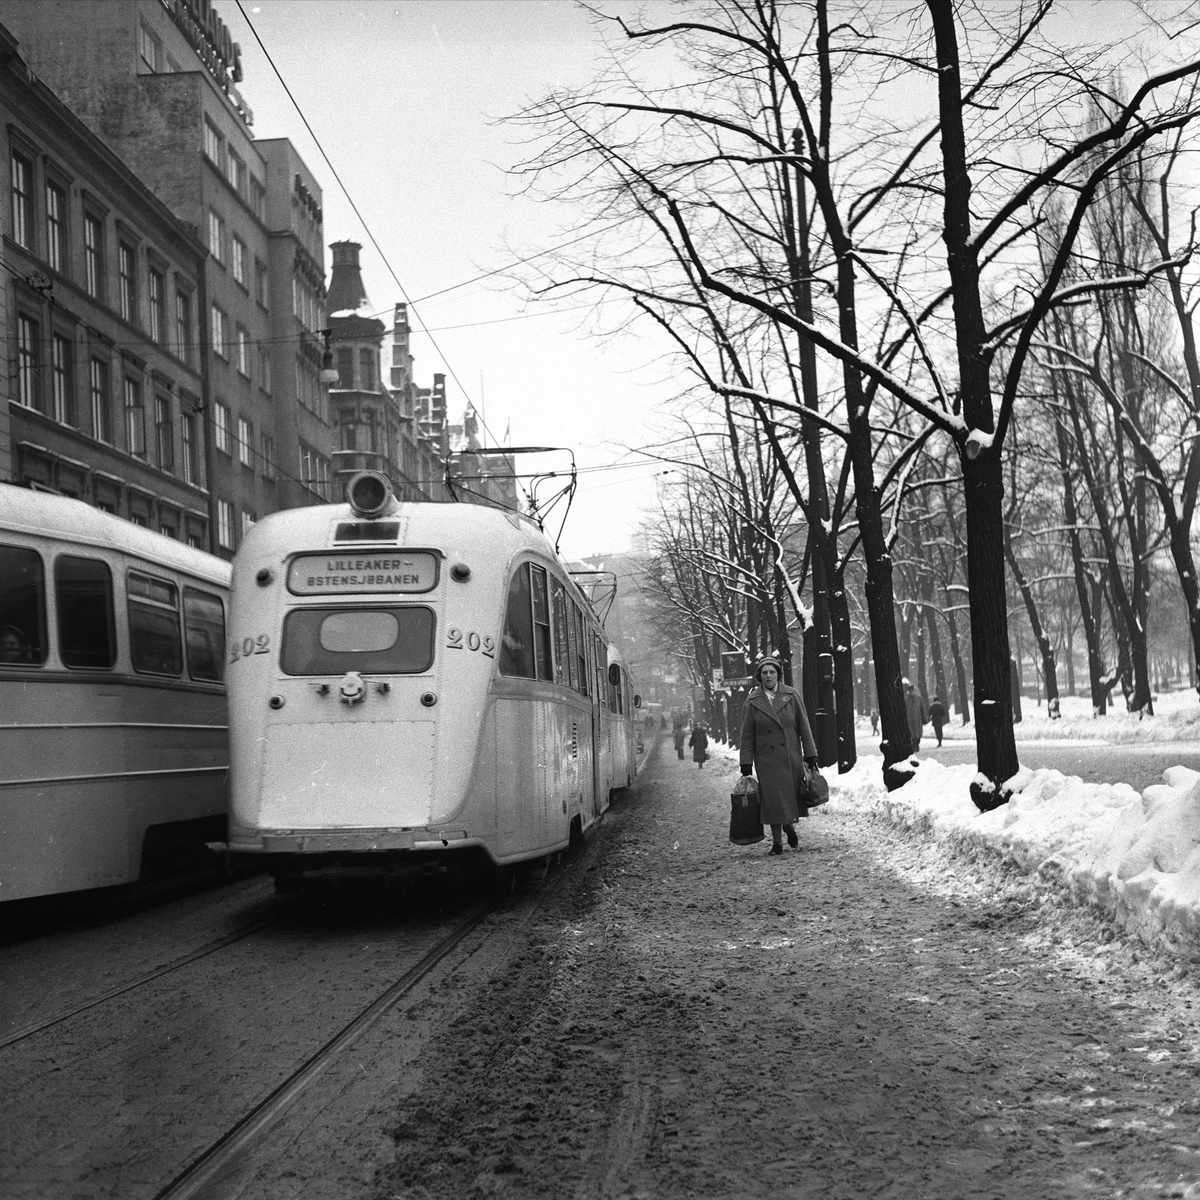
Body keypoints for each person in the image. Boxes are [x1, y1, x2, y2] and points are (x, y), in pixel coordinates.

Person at [739, 655, 818, 856]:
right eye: (764, 672)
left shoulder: (791, 696)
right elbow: (747, 734)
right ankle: (777, 843)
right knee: (772, 800)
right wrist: (746, 762)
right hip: (766, 759)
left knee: (787, 797)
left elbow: (804, 726)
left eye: (772, 672)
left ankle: (788, 826)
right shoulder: (753, 700)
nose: (768, 675)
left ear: (778, 675)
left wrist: (810, 753)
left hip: (789, 756)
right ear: (759, 676)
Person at [904, 678, 927, 751]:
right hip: (909, 720)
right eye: (910, 691)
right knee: (912, 734)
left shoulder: (919, 698)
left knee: (918, 734)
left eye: (912, 691)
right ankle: (914, 746)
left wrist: (924, 718)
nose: (911, 692)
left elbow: (922, 709)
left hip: (918, 719)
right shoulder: (905, 700)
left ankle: (916, 744)